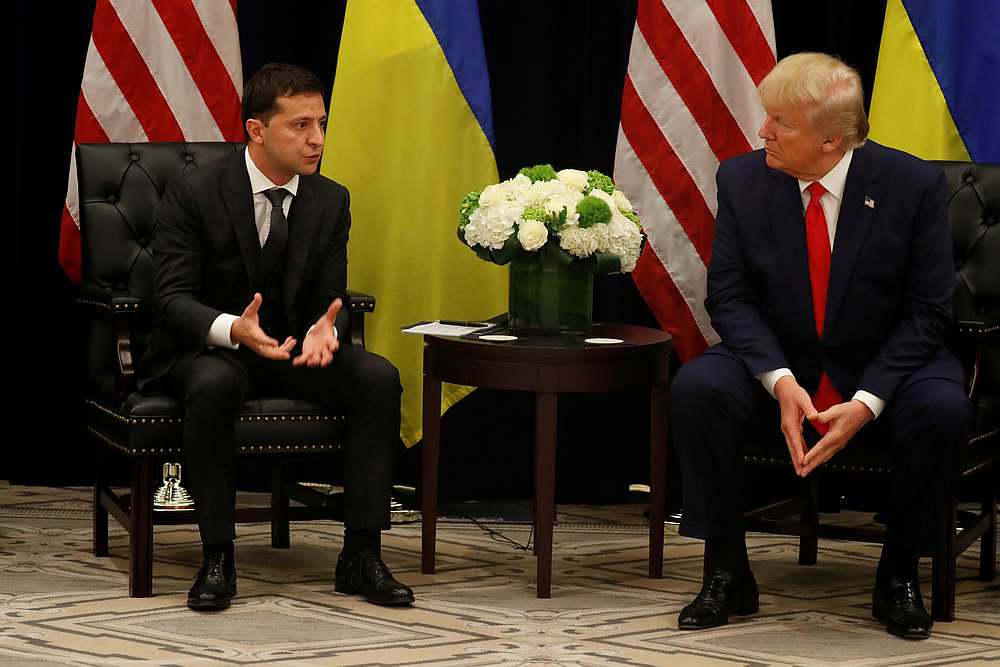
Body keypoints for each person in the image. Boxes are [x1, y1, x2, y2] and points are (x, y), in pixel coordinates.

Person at [670, 52, 970, 639]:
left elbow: (928, 312)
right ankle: (728, 572)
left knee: (941, 408)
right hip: (783, 355)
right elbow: (729, 297)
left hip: (886, 359)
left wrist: (868, 400)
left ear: (833, 139)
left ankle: (899, 573)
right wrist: (778, 380)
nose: (763, 132)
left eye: (780, 122)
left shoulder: (912, 186)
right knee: (698, 388)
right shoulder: (743, 178)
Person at [140, 63, 413, 610]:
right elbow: (170, 300)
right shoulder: (194, 191)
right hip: (216, 347)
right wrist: (233, 328)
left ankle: (361, 553)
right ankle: (218, 554)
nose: (317, 140)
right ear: (256, 130)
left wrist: (323, 328)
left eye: (322, 123)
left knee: (378, 377)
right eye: (300, 125)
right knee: (213, 385)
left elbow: (326, 297)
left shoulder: (330, 200)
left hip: (290, 350)